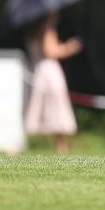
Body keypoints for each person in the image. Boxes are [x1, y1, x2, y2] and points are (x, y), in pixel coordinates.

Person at [23, 12, 82, 155]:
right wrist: (69, 48)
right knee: (57, 108)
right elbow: (50, 52)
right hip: (49, 72)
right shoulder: (47, 30)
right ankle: (61, 148)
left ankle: (17, 144)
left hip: (34, 70)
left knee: (31, 107)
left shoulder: (31, 29)